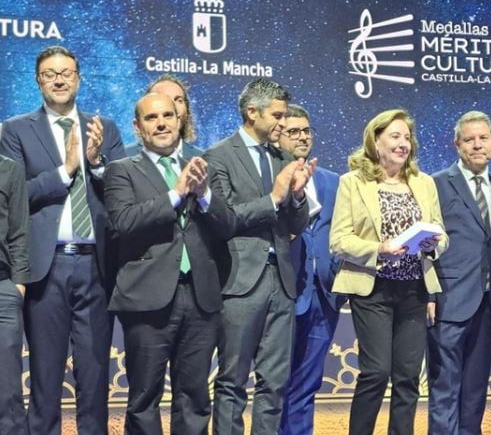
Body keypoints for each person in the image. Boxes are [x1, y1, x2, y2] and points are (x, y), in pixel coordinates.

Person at [0, 45, 125, 435]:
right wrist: (67, 169)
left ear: (79, 78)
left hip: (95, 266)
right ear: (38, 81)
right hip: (44, 268)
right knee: (45, 376)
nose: (59, 79)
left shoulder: (105, 128)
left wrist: (98, 163)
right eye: (50, 73)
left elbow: (122, 191)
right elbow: (16, 194)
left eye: (67, 72)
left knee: (93, 377)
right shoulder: (16, 129)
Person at [104, 92, 233, 435]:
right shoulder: (121, 170)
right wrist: (176, 194)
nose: (161, 123)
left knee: (194, 396)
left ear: (180, 121)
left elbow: (228, 224)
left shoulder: (203, 163)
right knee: (144, 396)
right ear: (137, 126)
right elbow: (122, 223)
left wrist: (203, 194)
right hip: (147, 298)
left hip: (201, 297)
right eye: (151, 118)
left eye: (168, 115)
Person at [329, 109, 448, 435]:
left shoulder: (424, 183)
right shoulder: (352, 183)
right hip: (373, 288)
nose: (403, 144)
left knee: (409, 376)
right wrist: (379, 248)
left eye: (407, 137)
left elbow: (441, 233)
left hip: (415, 288)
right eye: (395, 136)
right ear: (376, 141)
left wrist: (434, 244)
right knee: (376, 372)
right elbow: (338, 241)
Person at [206, 79, 314, 435]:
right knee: (233, 380)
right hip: (240, 281)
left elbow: (295, 225)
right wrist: (274, 197)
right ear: (252, 112)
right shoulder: (218, 156)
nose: (284, 124)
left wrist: (297, 197)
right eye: (278, 115)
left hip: (281, 281)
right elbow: (224, 220)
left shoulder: (284, 157)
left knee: (274, 382)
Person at [427, 110, 491, 435]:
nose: (477, 145)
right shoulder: (436, 184)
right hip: (449, 301)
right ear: (457, 145)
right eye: (469, 139)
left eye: (483, 138)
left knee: (475, 390)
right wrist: (429, 293)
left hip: (488, 304)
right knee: (444, 386)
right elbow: (426, 245)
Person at [277, 105, 345, 435]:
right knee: (276, 384)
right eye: (294, 131)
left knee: (307, 385)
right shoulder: (270, 178)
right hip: (284, 292)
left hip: (325, 295)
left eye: (306, 130)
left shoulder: (334, 182)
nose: (302, 136)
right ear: (277, 135)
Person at [0, 153, 30, 435]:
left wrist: (17, 285)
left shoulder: (9, 169)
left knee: (7, 391)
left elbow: (19, 231)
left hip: (2, 290)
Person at [125, 74, 202, 159]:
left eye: (178, 100)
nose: (172, 107)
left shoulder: (205, 160)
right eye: (163, 99)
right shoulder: (122, 158)